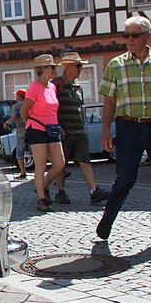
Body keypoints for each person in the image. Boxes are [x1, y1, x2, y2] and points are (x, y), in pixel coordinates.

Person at [96, 16, 151, 250]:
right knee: (126, 179)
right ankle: (108, 219)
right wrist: (106, 131)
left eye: (134, 35)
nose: (129, 40)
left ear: (148, 36)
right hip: (129, 127)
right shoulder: (116, 64)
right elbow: (109, 100)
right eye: (126, 35)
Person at [50, 52, 110, 204]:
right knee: (61, 165)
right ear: (68, 67)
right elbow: (50, 108)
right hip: (64, 132)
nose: (81, 69)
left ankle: (94, 191)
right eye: (78, 66)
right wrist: (58, 127)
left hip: (79, 131)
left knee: (85, 160)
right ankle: (59, 191)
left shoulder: (78, 86)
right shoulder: (56, 84)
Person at [21, 54, 65, 212]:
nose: (55, 70)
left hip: (52, 129)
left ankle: (42, 186)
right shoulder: (34, 87)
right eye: (52, 67)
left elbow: (52, 109)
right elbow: (24, 111)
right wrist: (33, 123)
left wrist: (57, 125)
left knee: (60, 163)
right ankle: (41, 198)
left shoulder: (52, 87)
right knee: (41, 165)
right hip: (37, 129)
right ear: (45, 69)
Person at [4, 89, 28, 180]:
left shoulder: (16, 106)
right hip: (32, 130)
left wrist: (6, 123)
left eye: (17, 95)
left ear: (20, 96)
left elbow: (12, 119)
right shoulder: (29, 104)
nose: (15, 96)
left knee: (20, 153)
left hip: (21, 131)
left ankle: (23, 173)